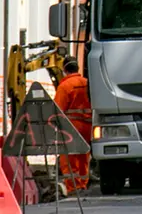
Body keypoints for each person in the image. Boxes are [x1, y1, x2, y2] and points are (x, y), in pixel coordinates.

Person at [54, 58, 92, 197]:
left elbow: (57, 109)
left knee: (69, 158)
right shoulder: (87, 83)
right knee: (84, 156)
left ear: (65, 70)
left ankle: (72, 187)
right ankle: (83, 184)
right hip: (88, 127)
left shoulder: (65, 87)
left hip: (71, 127)